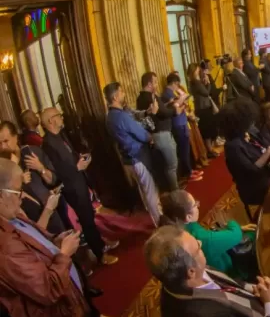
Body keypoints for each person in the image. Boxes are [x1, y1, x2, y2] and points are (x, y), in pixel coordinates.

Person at [0, 158, 121, 317]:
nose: (22, 196)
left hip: (70, 306)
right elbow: (46, 290)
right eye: (17, 190)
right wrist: (64, 253)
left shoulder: (12, 215)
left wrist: (55, 242)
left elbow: (36, 243)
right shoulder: (4, 246)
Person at [145, 225, 270, 317]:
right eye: (198, 248)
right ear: (191, 272)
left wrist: (251, 288)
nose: (200, 243)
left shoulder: (182, 275)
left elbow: (227, 282)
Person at [41, 107, 117, 265]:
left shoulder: (60, 135)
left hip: (79, 181)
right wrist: (77, 167)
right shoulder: (48, 143)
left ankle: (100, 243)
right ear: (50, 121)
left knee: (89, 215)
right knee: (86, 220)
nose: (61, 117)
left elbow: (70, 155)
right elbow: (57, 171)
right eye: (58, 115)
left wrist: (80, 158)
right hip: (71, 187)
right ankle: (100, 253)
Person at [158, 190, 255, 278]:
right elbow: (235, 235)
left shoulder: (178, 228)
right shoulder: (203, 239)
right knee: (253, 235)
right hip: (227, 270)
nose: (198, 205)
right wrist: (231, 223)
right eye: (195, 204)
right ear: (188, 217)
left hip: (209, 264)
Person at [105, 83, 162, 226]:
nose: (124, 94)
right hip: (137, 156)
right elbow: (140, 133)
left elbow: (135, 116)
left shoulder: (110, 116)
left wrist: (146, 113)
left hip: (128, 159)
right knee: (150, 192)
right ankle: (161, 223)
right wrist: (150, 138)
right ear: (116, 96)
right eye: (122, 91)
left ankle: (155, 219)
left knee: (144, 191)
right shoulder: (120, 116)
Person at [0, 122, 71, 235]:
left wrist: (41, 168)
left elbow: (54, 181)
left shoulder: (33, 152)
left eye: (6, 141)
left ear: (15, 137)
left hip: (51, 212)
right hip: (28, 223)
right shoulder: (2, 167)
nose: (3, 147)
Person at [220, 100, 270, 207]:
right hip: (254, 186)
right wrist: (268, 153)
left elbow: (266, 144)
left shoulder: (249, 131)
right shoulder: (233, 147)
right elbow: (251, 171)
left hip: (266, 172)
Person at [137, 72, 181, 191]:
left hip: (156, 134)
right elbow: (163, 113)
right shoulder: (150, 97)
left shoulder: (140, 98)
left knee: (166, 166)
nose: (157, 84)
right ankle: (176, 192)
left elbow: (157, 112)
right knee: (172, 165)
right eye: (155, 82)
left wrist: (167, 105)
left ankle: (172, 190)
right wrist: (175, 108)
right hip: (161, 134)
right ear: (150, 84)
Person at [162, 73, 202, 183]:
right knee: (183, 150)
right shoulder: (167, 94)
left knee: (186, 148)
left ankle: (189, 169)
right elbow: (175, 109)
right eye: (177, 84)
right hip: (177, 123)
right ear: (174, 83)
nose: (178, 87)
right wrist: (182, 102)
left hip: (182, 122)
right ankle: (187, 173)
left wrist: (183, 102)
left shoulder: (172, 92)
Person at [188, 63, 219, 160]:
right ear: (194, 71)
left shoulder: (195, 81)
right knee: (207, 130)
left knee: (209, 129)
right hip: (203, 108)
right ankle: (209, 150)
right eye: (197, 70)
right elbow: (206, 93)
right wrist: (208, 84)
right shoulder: (195, 82)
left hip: (203, 107)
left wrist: (205, 84)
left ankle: (210, 149)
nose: (199, 71)